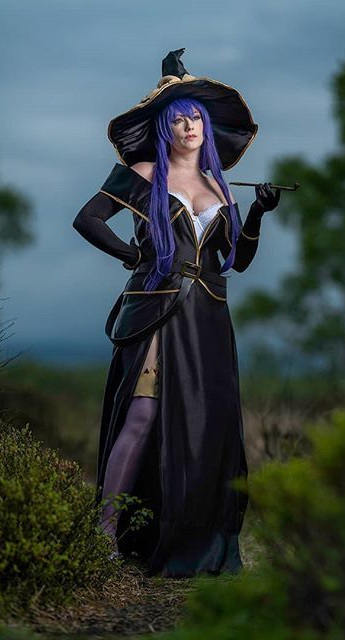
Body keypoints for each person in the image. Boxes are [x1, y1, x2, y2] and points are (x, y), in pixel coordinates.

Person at [72, 48, 279, 577]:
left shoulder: (220, 188)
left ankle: (188, 538)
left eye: (196, 119)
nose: (189, 127)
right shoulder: (142, 173)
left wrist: (257, 213)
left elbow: (239, 260)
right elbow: (88, 219)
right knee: (143, 416)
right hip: (158, 311)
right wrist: (132, 255)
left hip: (208, 317)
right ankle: (104, 534)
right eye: (179, 119)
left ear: (207, 127)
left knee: (205, 426)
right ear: (164, 128)